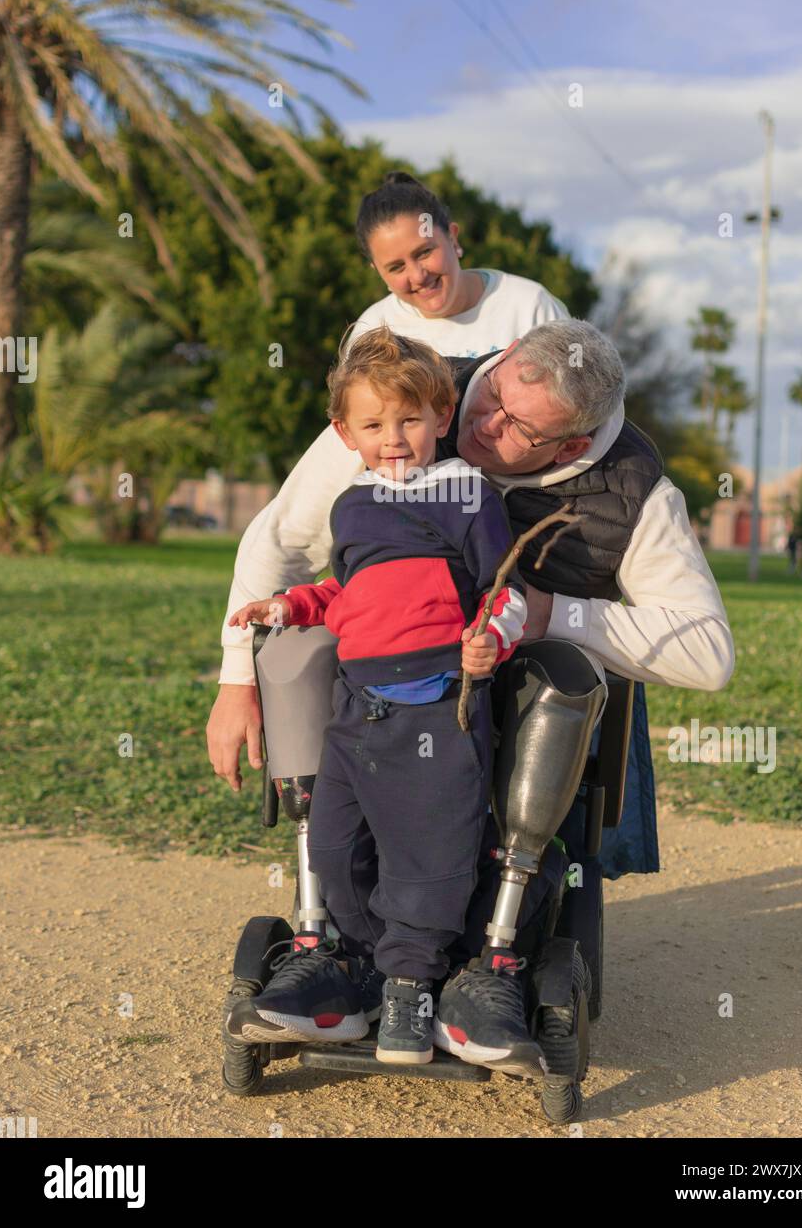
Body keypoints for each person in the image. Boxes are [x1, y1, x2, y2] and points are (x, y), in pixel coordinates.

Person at [208, 319, 735, 1070]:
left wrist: (551, 613)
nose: (481, 422)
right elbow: (277, 540)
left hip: (483, 680)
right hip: (374, 674)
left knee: (553, 682)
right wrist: (237, 677)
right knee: (300, 653)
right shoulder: (412, 391)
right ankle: (334, 948)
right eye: (491, 390)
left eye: (516, 425)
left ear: (570, 448)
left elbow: (711, 654)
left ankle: (479, 960)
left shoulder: (635, 489)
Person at [224, 327, 529, 1068]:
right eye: (373, 425)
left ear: (442, 414)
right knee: (333, 847)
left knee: (429, 852)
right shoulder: (353, 505)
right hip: (357, 710)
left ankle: (410, 984)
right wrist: (291, 607)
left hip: (440, 708)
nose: (395, 439)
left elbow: (506, 591)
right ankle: (360, 970)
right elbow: (347, 592)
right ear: (344, 433)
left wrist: (494, 635)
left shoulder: (467, 494)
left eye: (411, 421)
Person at [348, 171, 572, 358]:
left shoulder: (529, 307)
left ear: (453, 238)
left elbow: (588, 396)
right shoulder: (372, 332)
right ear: (378, 272)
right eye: (396, 267)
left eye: (425, 252)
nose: (417, 276)